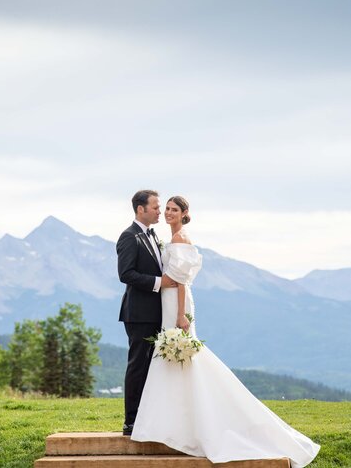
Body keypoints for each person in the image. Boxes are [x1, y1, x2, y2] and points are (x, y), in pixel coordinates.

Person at [130, 196, 321, 467]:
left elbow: (182, 281)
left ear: (185, 213)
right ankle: (174, 424)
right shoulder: (171, 238)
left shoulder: (180, 238)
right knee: (175, 361)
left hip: (176, 303)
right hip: (167, 300)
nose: (168, 213)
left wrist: (181, 315)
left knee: (182, 358)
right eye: (167, 209)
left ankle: (185, 425)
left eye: (174, 209)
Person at [116, 189, 179, 436]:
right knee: (138, 366)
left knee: (154, 367)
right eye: (155, 207)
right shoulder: (129, 237)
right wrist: (158, 283)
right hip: (139, 313)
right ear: (140, 209)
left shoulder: (153, 236)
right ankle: (131, 421)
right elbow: (126, 274)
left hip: (157, 313)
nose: (159, 211)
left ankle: (149, 418)